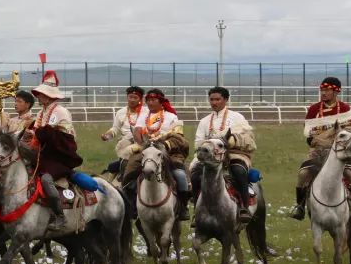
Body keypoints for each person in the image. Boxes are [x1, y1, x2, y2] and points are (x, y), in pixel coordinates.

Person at [289, 77, 351, 222]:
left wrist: (331, 139)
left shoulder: (345, 109)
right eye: (322, 90)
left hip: (342, 152)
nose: (323, 93)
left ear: (336, 91)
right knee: (303, 173)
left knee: (350, 173)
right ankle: (300, 206)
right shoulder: (313, 110)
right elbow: (309, 137)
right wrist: (320, 141)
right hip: (319, 152)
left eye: (327, 90)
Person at [20, 71, 82, 233]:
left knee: (47, 179)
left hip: (60, 157)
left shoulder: (60, 111)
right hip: (45, 154)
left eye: (41, 94)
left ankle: (59, 216)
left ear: (48, 96)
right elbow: (40, 132)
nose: (39, 97)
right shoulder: (42, 113)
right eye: (39, 94)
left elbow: (53, 135)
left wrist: (37, 134)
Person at [119, 89, 189, 220]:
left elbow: (178, 137)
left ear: (161, 101)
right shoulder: (143, 116)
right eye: (148, 100)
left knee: (179, 174)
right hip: (145, 149)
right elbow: (137, 132)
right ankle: (132, 205)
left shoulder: (171, 117)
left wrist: (162, 144)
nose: (150, 103)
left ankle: (183, 207)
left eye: (153, 100)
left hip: (167, 151)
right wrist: (144, 144)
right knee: (128, 171)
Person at [192, 86, 257, 223]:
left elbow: (248, 138)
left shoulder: (237, 117)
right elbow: (198, 143)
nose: (214, 102)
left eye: (217, 99)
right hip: (209, 157)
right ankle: (196, 211)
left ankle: (244, 207)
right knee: (194, 175)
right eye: (211, 99)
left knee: (239, 172)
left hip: (233, 155)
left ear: (226, 99)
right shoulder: (204, 121)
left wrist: (232, 141)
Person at [100, 86, 147, 176]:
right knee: (123, 162)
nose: (132, 100)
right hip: (125, 144)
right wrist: (107, 136)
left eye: (135, 98)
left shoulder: (147, 112)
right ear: (127, 98)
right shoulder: (121, 112)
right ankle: (122, 180)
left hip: (143, 143)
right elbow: (115, 128)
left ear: (140, 99)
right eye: (130, 97)